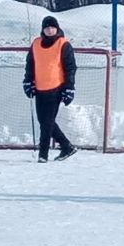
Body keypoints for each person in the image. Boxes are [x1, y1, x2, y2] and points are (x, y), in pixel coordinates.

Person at [22, 15, 78, 163]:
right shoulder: (36, 44)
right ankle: (67, 146)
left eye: (52, 27)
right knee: (44, 121)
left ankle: (43, 155)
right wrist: (28, 81)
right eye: (47, 27)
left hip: (56, 88)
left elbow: (70, 68)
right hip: (40, 88)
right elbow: (30, 65)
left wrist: (69, 88)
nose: (50, 30)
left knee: (47, 122)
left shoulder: (63, 44)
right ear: (43, 29)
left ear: (57, 28)